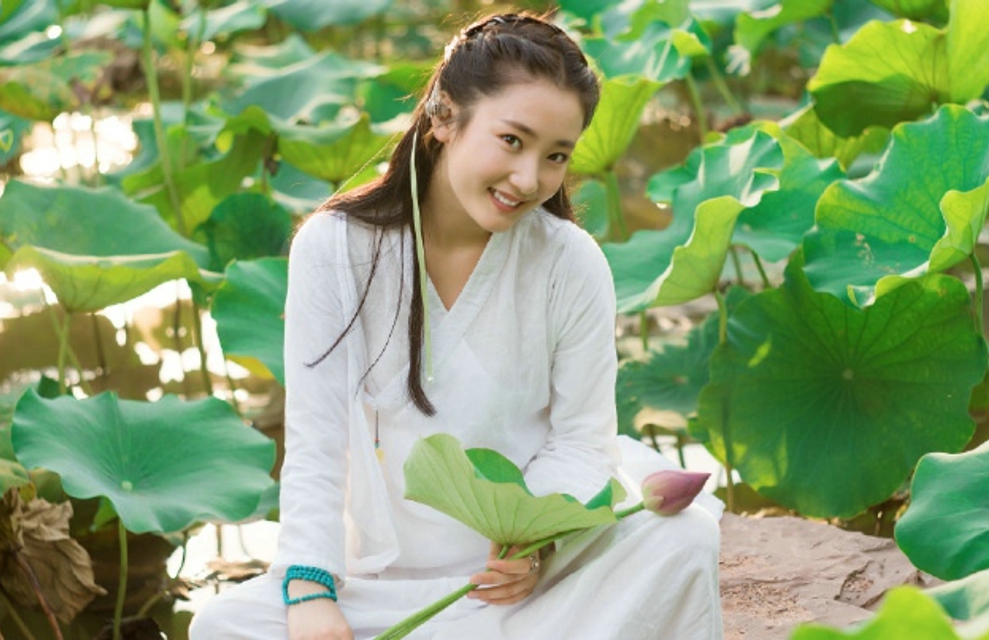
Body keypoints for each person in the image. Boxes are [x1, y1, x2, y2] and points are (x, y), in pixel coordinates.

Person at [189, 12, 722, 640]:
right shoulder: (334, 249)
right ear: (444, 117)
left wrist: (534, 546)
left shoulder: (571, 264)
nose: (529, 180)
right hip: (382, 589)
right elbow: (316, 440)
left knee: (684, 541)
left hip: (522, 588)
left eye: (556, 156)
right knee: (221, 625)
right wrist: (310, 591)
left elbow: (582, 442)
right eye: (512, 140)